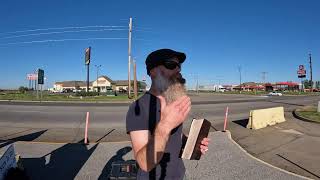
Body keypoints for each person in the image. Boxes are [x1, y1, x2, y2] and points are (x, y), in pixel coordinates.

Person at [126, 49, 210, 180]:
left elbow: (175, 136)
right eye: (171, 64)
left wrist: (191, 143)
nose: (178, 70)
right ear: (153, 71)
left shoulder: (173, 101)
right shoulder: (138, 108)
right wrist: (165, 125)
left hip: (180, 175)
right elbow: (144, 163)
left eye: (179, 66)